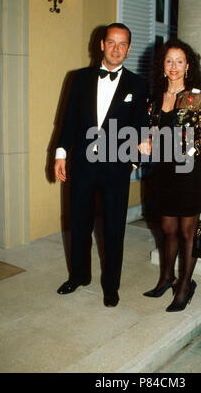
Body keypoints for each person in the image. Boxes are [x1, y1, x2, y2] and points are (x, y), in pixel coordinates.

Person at [54, 23, 147, 307]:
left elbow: (142, 126)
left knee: (113, 227)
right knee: (78, 222)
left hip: (116, 166)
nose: (117, 48)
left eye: (123, 44)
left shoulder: (138, 84)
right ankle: (79, 276)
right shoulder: (79, 78)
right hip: (81, 163)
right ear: (102, 45)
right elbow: (68, 119)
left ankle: (111, 286)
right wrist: (60, 154)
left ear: (128, 48)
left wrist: (132, 162)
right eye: (112, 42)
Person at [143, 38, 201, 312]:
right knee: (167, 229)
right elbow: (152, 135)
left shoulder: (196, 97)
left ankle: (185, 286)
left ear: (188, 66)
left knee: (187, 232)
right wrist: (145, 143)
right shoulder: (155, 99)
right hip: (163, 173)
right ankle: (166, 278)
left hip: (190, 173)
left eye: (179, 61)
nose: (174, 66)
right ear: (162, 66)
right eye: (169, 61)